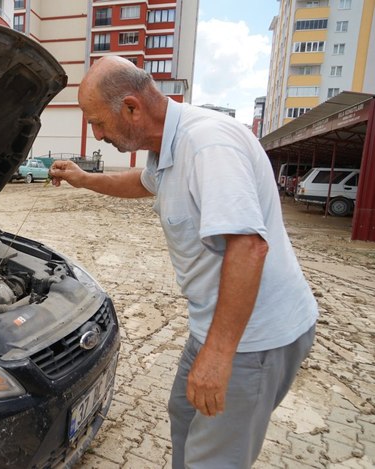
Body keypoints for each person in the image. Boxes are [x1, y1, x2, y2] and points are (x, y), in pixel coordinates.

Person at [49, 56, 318, 468]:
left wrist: (218, 355)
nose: (97, 134)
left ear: (133, 107)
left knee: (214, 458)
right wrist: (83, 179)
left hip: (254, 339)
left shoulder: (207, 145)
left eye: (98, 122)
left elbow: (249, 247)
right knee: (184, 417)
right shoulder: (168, 146)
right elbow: (141, 183)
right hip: (214, 327)